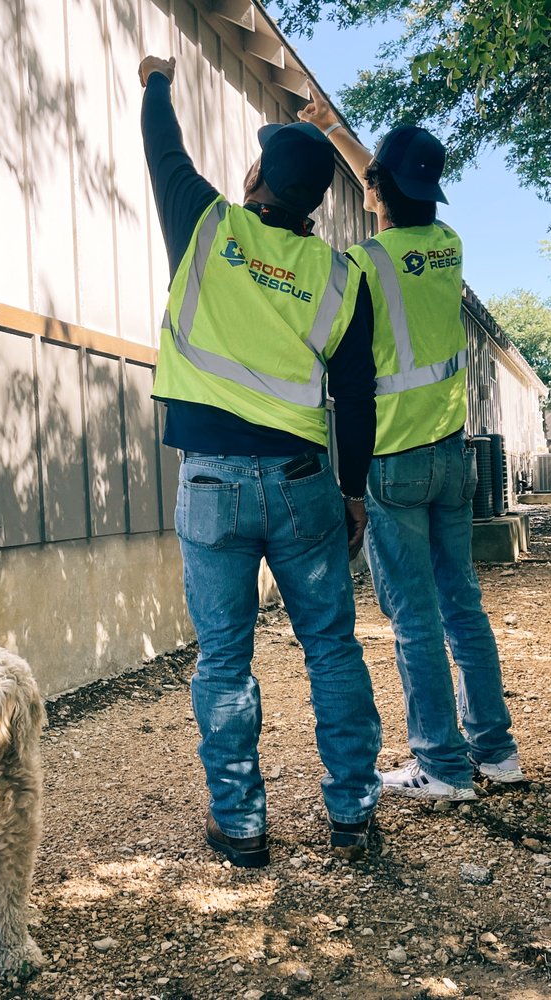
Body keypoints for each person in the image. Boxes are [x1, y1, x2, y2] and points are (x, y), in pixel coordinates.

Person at [138, 54, 382, 867]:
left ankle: (241, 826)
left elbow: (164, 152)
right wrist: (353, 492)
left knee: (225, 660)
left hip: (212, 483)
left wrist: (157, 82)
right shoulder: (341, 278)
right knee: (333, 648)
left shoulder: (207, 228)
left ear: (255, 180)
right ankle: (353, 816)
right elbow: (355, 395)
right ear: (313, 204)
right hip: (306, 487)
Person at [299, 79, 523, 801]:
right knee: (463, 607)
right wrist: (336, 130)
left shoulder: (364, 263)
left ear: (378, 190)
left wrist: (349, 481)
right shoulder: (448, 247)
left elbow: (350, 377)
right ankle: (496, 753)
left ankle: (443, 767)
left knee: (415, 620)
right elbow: (388, 183)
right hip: (453, 458)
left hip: (394, 464)